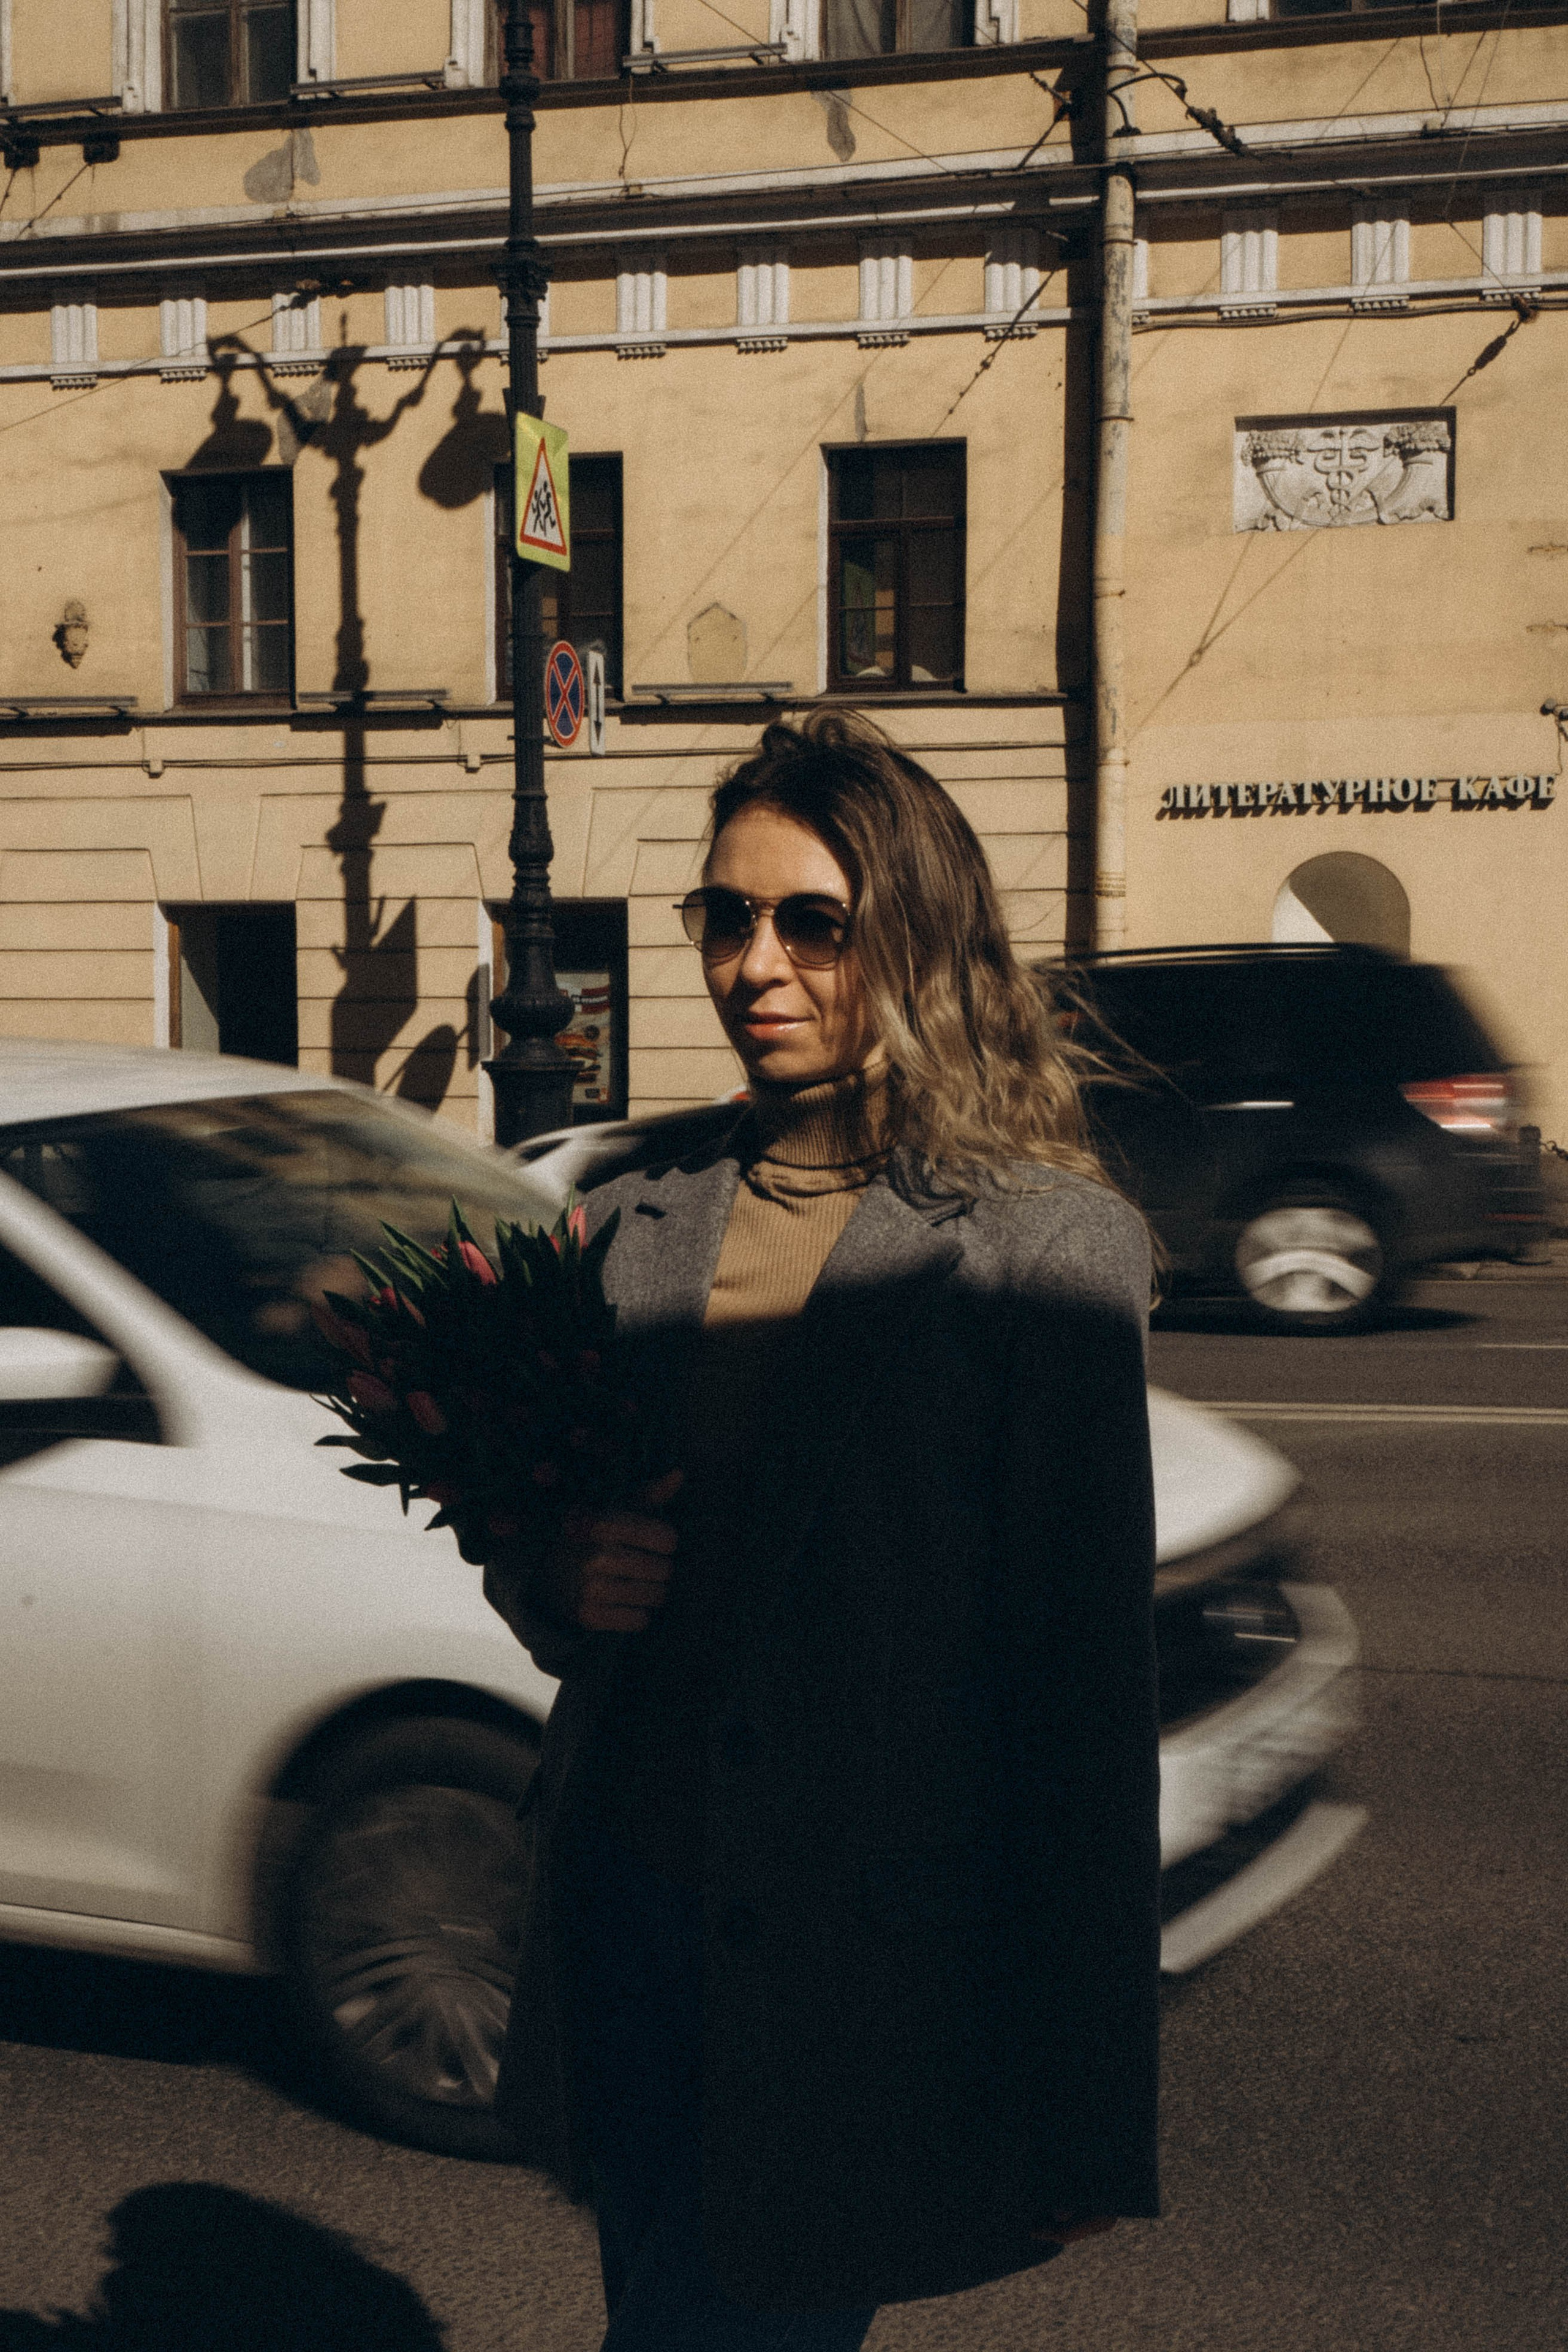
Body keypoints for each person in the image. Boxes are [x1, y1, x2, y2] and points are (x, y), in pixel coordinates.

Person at [484, 710, 1160, 2351]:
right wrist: (559, 1574)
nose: (755, 963)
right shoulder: (631, 1228)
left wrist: (1089, 2105)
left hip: (854, 1991)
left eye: (812, 922)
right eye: (727, 916)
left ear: (910, 940)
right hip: (628, 1927)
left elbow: (1080, 1707)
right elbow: (537, 1538)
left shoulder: (1042, 1251)